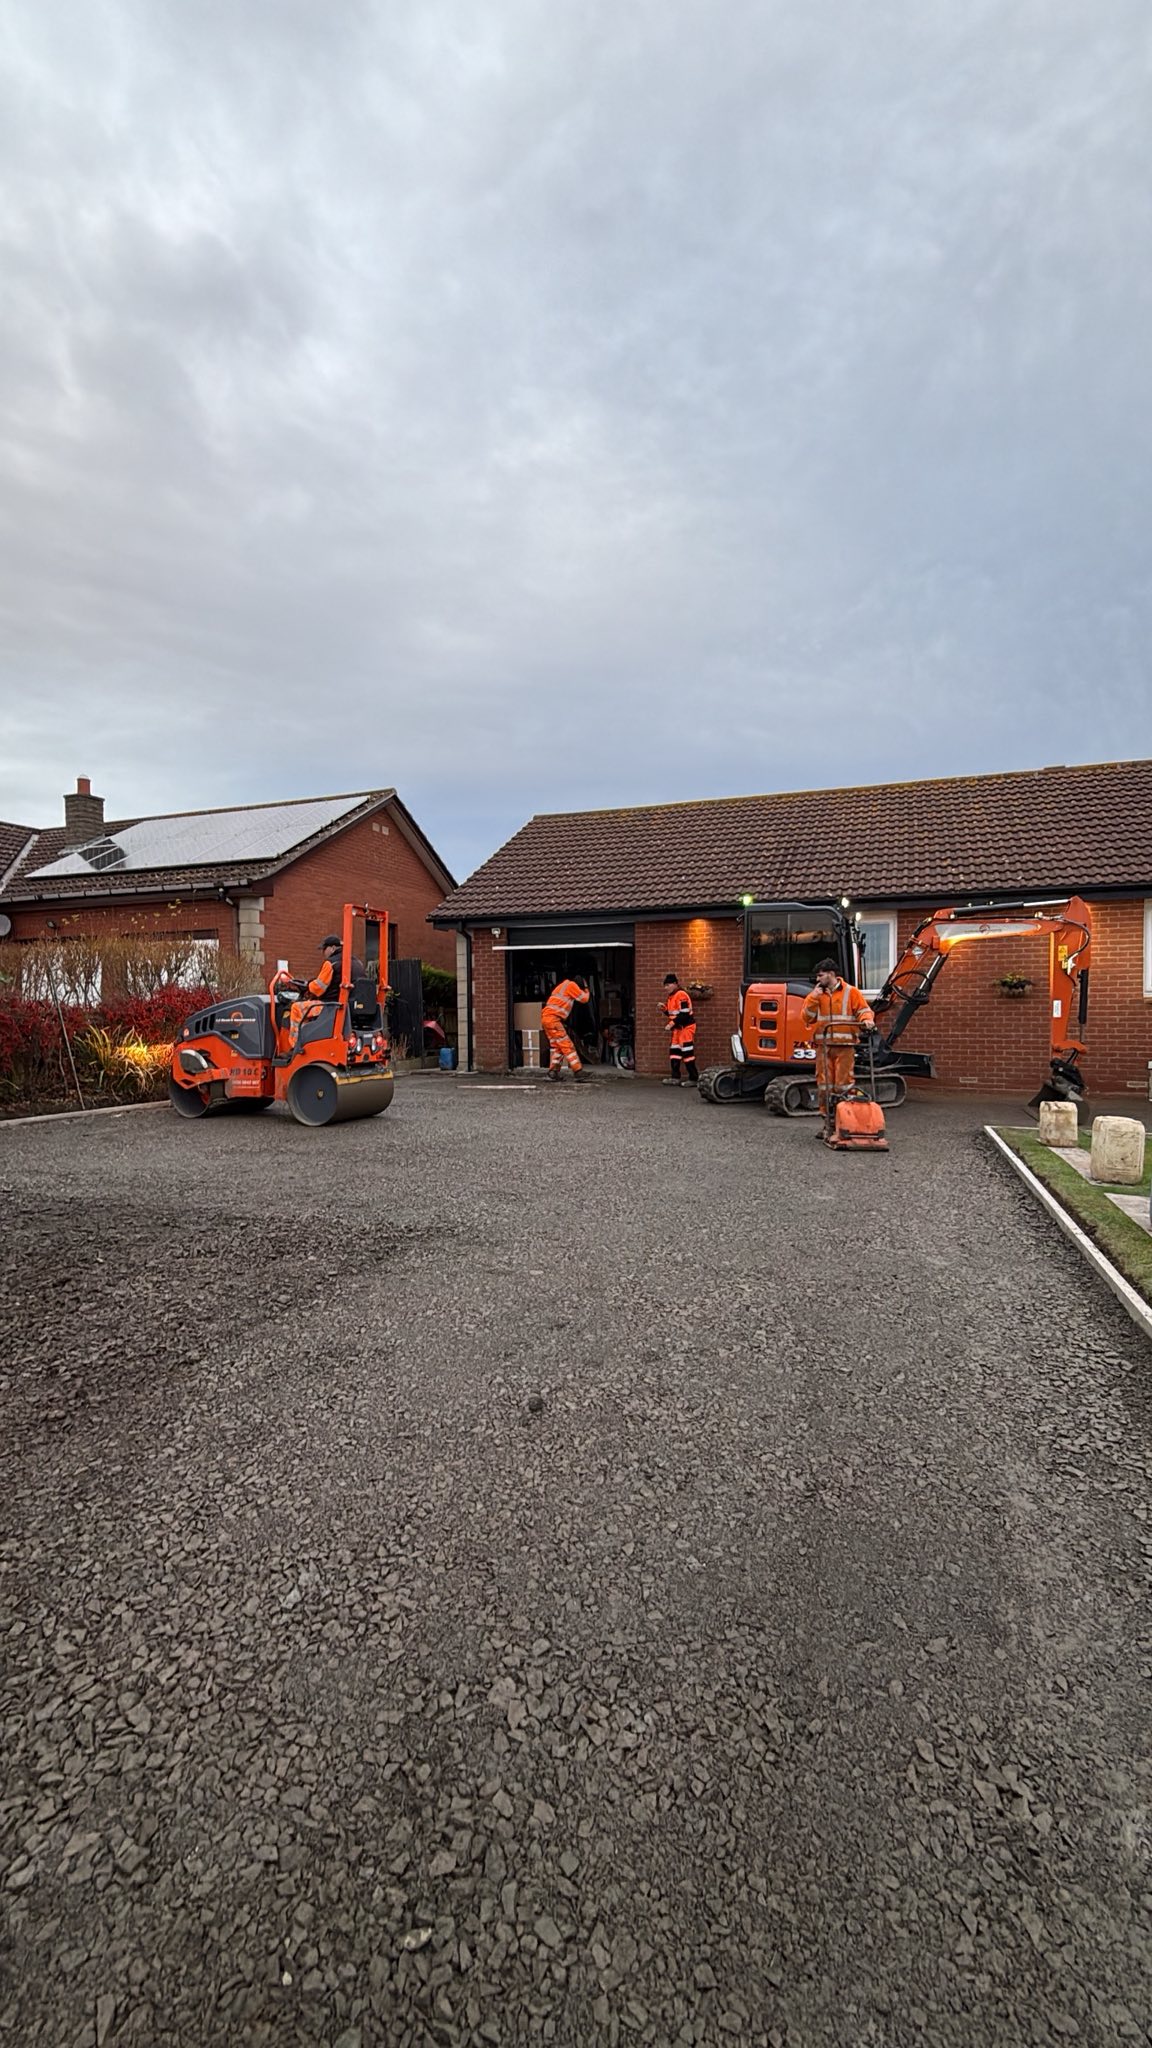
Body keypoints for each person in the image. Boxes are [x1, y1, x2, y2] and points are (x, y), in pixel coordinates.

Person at [800, 957, 875, 1131]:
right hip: (824, 1046)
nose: (818, 979)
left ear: (831, 974)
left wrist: (867, 1021)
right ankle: (828, 1123)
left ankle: (845, 1121)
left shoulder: (851, 992)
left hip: (845, 1046)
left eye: (821, 975)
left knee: (844, 1085)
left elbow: (864, 1011)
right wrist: (813, 998)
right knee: (824, 1086)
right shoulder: (816, 995)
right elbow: (806, 1017)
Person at [286, 932, 365, 1052]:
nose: (323, 953)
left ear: (332, 948)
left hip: (330, 1006)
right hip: (350, 1006)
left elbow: (318, 988)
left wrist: (308, 985)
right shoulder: (357, 962)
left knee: (297, 1008)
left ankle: (295, 1048)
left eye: (324, 949)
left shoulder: (331, 963)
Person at [542, 974, 591, 1080]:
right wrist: (586, 988)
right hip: (553, 1019)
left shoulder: (563, 986)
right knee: (567, 1045)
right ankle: (578, 1071)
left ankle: (553, 1071)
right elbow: (584, 999)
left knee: (558, 1047)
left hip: (547, 1019)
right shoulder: (572, 986)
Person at [660, 973, 698, 1087]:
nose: (666, 987)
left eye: (668, 985)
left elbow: (684, 1014)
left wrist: (671, 1024)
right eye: (665, 985)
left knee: (687, 1053)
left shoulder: (681, 995)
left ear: (675, 984)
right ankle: (675, 1077)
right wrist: (664, 1009)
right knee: (674, 1053)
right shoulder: (671, 997)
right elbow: (673, 1014)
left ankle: (693, 1078)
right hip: (678, 1029)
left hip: (686, 1028)